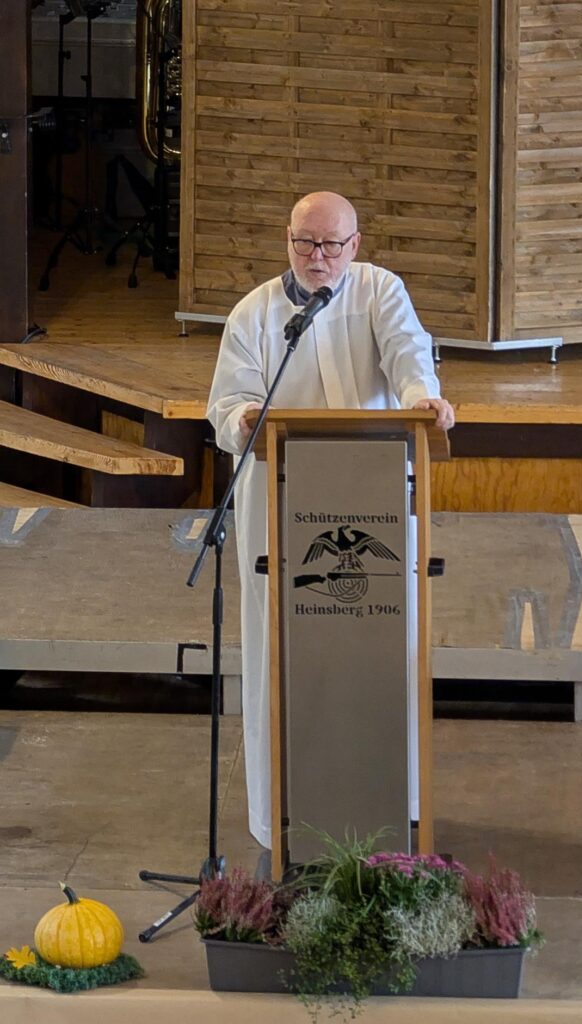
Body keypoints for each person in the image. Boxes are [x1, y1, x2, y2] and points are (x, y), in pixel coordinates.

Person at [206, 191, 455, 849]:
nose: (318, 257)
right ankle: (283, 819)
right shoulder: (255, 312)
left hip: (370, 499)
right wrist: (241, 417)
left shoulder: (378, 291)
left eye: (331, 245)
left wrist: (421, 398)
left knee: (379, 653)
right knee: (282, 656)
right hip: (281, 507)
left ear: (355, 244)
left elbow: (407, 355)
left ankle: (388, 812)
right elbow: (230, 402)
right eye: (305, 243)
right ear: (287, 240)